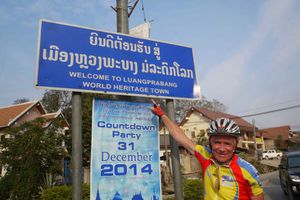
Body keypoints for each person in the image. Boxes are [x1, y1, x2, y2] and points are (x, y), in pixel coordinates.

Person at [151, 100, 264, 200]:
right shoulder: (205, 155)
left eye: (227, 144)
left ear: (235, 145)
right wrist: (162, 115)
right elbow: (180, 137)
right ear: (210, 143)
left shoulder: (247, 170)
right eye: (217, 142)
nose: (221, 148)